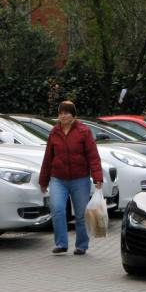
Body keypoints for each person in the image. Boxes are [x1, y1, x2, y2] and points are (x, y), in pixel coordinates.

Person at [39, 101, 103, 255]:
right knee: (57, 209)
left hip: (79, 179)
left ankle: (81, 245)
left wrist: (97, 177)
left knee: (80, 214)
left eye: (66, 113)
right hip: (58, 179)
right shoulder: (54, 132)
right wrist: (43, 180)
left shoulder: (84, 131)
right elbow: (48, 158)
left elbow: (93, 156)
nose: (63, 116)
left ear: (74, 115)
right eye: (60, 113)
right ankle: (61, 243)